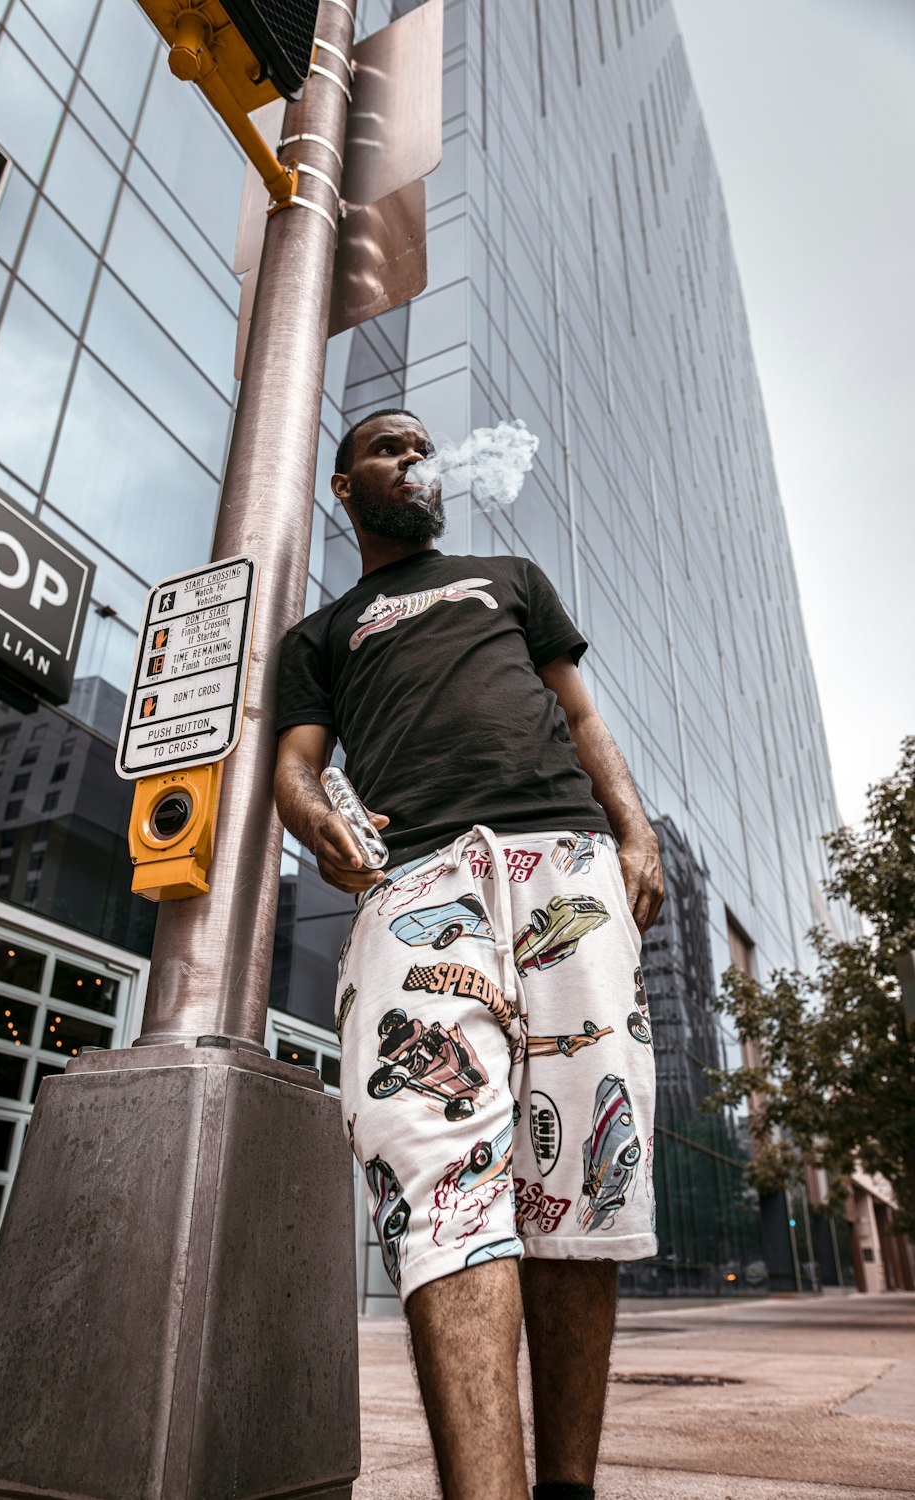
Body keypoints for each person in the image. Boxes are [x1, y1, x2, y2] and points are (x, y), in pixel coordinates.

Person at [274, 408, 664, 1500]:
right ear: (344, 489)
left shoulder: (509, 576)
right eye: (383, 447)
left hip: (564, 865)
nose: (410, 456)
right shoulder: (321, 634)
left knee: (579, 1178)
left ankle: (568, 1489)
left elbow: (581, 718)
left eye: (417, 444)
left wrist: (632, 831)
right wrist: (320, 825)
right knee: (437, 1169)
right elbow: (296, 771)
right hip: (418, 888)